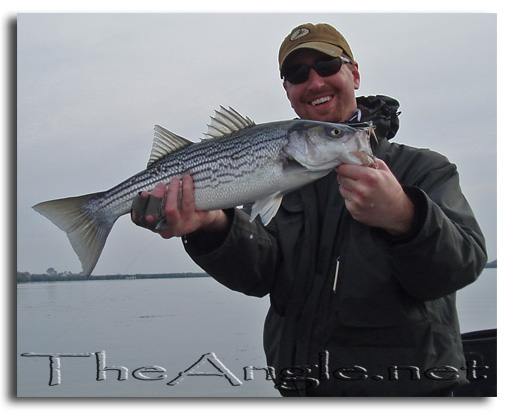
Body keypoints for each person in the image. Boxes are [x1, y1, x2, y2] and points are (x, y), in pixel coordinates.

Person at [131, 23, 488, 396]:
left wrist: (404, 216)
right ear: (287, 91)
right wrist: (212, 226)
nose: (315, 82)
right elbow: (260, 275)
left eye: (328, 64)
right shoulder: (279, 184)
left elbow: (462, 265)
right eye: (297, 74)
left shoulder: (426, 170)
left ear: (354, 73)